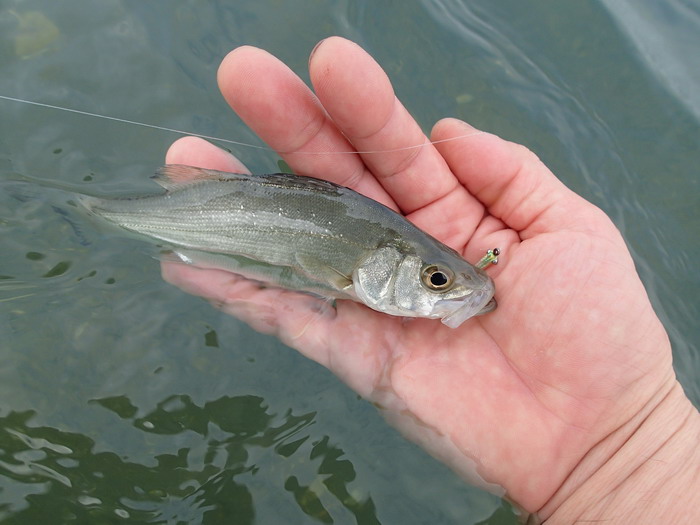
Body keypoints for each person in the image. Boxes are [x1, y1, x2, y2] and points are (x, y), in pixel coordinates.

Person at [160, 37, 700, 524]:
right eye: (437, 279)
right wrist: (631, 457)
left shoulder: (457, 273)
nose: (454, 291)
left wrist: (628, 451)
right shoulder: (363, 268)